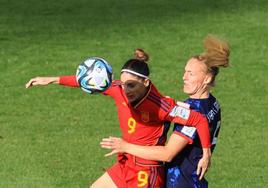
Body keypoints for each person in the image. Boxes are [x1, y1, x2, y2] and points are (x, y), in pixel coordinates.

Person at [25, 49, 211, 188]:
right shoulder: (119, 89)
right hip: (126, 163)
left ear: (146, 83)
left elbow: (199, 120)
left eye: (131, 85)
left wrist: (206, 153)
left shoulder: (161, 106)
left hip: (146, 173)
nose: (126, 90)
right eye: (123, 84)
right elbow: (90, 80)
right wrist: (52, 79)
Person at [100, 36, 230, 188]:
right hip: (193, 180)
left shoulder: (194, 111)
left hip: (181, 182)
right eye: (185, 72)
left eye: (191, 74)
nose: (184, 77)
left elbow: (167, 154)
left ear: (207, 78)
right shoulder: (213, 104)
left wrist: (125, 147)